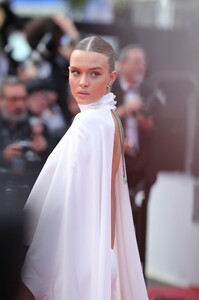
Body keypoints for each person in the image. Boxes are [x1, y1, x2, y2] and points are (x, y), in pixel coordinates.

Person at [17, 36, 148, 300]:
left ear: (111, 77)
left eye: (94, 73)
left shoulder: (89, 124)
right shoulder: (109, 118)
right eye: (76, 72)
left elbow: (63, 200)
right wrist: (105, 252)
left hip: (69, 246)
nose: (83, 82)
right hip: (92, 246)